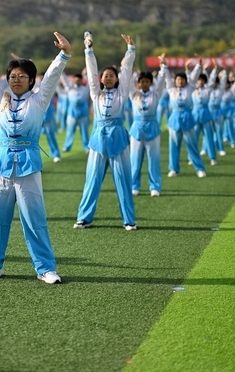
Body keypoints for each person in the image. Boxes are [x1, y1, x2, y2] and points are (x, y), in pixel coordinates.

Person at [0, 29, 71, 284]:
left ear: (32, 80)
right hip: (1, 163)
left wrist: (63, 55)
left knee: (34, 218)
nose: (16, 80)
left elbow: (53, 76)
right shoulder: (1, 98)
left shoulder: (39, 99)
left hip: (28, 163)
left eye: (22, 76)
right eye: (12, 76)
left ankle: (45, 268)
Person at [73, 32, 137, 230]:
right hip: (98, 139)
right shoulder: (96, 93)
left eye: (112, 76)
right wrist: (89, 50)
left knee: (123, 180)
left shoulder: (122, 92)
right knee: (92, 179)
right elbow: (91, 73)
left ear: (117, 79)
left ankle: (129, 220)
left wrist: (131, 51)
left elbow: (127, 72)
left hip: (118, 138)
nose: (108, 78)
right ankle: (85, 217)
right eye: (105, 76)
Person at [129, 58, 167, 197]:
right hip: (137, 129)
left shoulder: (155, 94)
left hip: (152, 128)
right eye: (142, 81)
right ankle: (134, 186)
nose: (144, 84)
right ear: (138, 83)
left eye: (147, 81)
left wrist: (163, 67)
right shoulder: (134, 94)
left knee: (153, 159)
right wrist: (127, 65)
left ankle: (155, 186)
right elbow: (126, 82)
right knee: (135, 159)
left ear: (151, 83)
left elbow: (162, 83)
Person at [165, 58, 205, 178]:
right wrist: (164, 66)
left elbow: (194, 77)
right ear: (175, 81)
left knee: (192, 144)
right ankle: (174, 169)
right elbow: (167, 78)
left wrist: (198, 65)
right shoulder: (171, 90)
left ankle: (199, 168)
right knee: (174, 145)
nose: (180, 81)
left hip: (187, 118)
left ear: (186, 81)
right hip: (174, 118)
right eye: (178, 79)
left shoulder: (190, 88)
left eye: (182, 79)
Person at [60, 72, 90, 152]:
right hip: (72, 113)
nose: (77, 81)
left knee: (84, 132)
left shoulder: (85, 89)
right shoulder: (70, 88)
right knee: (70, 132)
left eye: (79, 80)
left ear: (81, 80)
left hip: (83, 113)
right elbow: (65, 80)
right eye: (76, 80)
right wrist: (61, 71)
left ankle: (86, 147)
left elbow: (91, 82)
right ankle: (67, 146)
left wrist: (85, 75)